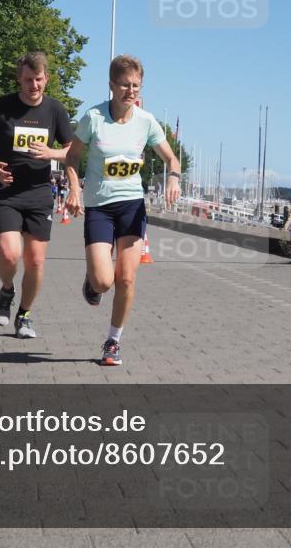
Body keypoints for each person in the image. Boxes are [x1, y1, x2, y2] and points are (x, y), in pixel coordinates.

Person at [64, 55, 180, 366]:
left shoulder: (146, 121)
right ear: (112, 85)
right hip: (99, 207)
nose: (131, 91)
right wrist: (74, 188)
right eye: (125, 85)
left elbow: (171, 158)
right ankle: (93, 280)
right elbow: (72, 157)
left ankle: (113, 341)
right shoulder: (94, 118)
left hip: (132, 206)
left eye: (136, 86)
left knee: (126, 279)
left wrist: (174, 178)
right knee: (104, 281)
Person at [0, 52, 73, 339]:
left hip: (39, 193)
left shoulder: (55, 110)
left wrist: (52, 153)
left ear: (46, 79)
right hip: (6, 191)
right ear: (19, 79)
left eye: (38, 79)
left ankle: (24, 315)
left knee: (36, 261)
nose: (34, 86)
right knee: (9, 253)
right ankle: (7, 290)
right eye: (28, 80)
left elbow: (72, 150)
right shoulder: (2, 107)